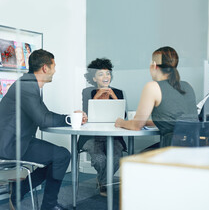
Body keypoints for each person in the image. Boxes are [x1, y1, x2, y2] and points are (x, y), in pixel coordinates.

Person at [0, 49, 87, 210]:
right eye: (54, 66)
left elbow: (44, 116)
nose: (55, 71)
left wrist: (70, 118)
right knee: (61, 156)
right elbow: (43, 120)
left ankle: (21, 190)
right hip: (10, 144)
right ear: (45, 68)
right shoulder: (27, 86)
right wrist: (70, 119)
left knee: (58, 158)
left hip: (19, 140)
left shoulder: (29, 84)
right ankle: (48, 206)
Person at [115, 46, 198, 147]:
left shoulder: (153, 87)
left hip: (172, 150)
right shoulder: (187, 86)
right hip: (194, 149)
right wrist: (147, 122)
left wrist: (121, 122)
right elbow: (176, 121)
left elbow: (136, 126)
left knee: (134, 159)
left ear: (154, 65)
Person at [77, 58, 126, 197]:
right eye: (101, 74)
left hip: (113, 136)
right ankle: (105, 183)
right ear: (94, 77)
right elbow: (86, 115)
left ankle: (102, 182)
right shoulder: (88, 92)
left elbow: (124, 117)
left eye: (108, 73)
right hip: (93, 136)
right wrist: (97, 96)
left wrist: (114, 97)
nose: (106, 77)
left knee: (116, 159)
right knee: (100, 159)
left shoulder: (118, 92)